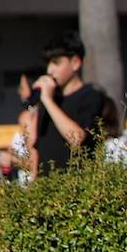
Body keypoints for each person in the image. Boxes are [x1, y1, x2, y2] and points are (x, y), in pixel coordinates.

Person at [30, 31, 106, 175]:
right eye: (48, 63)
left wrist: (48, 100)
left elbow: (77, 138)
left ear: (75, 62)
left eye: (56, 63)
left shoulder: (91, 96)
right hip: (46, 183)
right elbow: (36, 146)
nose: (50, 70)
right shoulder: (49, 98)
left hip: (75, 183)